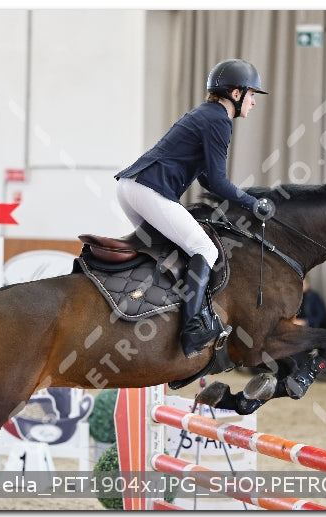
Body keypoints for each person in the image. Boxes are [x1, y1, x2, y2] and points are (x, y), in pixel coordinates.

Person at [114, 59, 274, 358]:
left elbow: (206, 178)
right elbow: (217, 180)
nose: (254, 102)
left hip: (132, 187)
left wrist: (242, 198)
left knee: (169, 252)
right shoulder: (218, 120)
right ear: (236, 94)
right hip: (148, 189)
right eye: (252, 94)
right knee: (206, 249)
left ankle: (152, 312)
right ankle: (193, 329)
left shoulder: (207, 114)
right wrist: (253, 203)